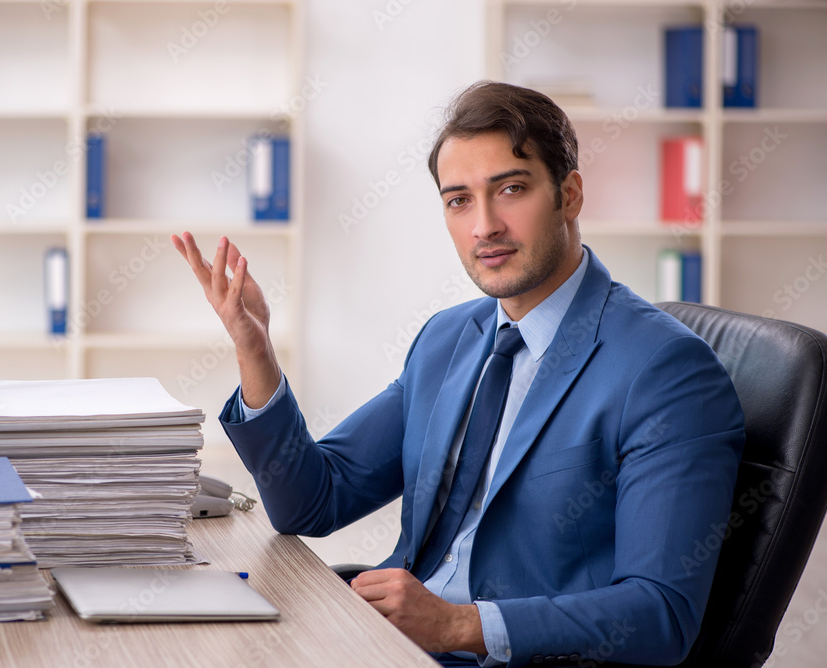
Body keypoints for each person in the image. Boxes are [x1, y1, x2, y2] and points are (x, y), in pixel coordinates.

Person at [172, 81, 745, 667]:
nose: (484, 227)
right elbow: (315, 502)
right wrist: (256, 351)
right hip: (391, 646)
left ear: (569, 195)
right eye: (459, 201)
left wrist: (458, 625)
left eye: (511, 190)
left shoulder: (666, 371)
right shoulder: (449, 339)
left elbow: (661, 614)